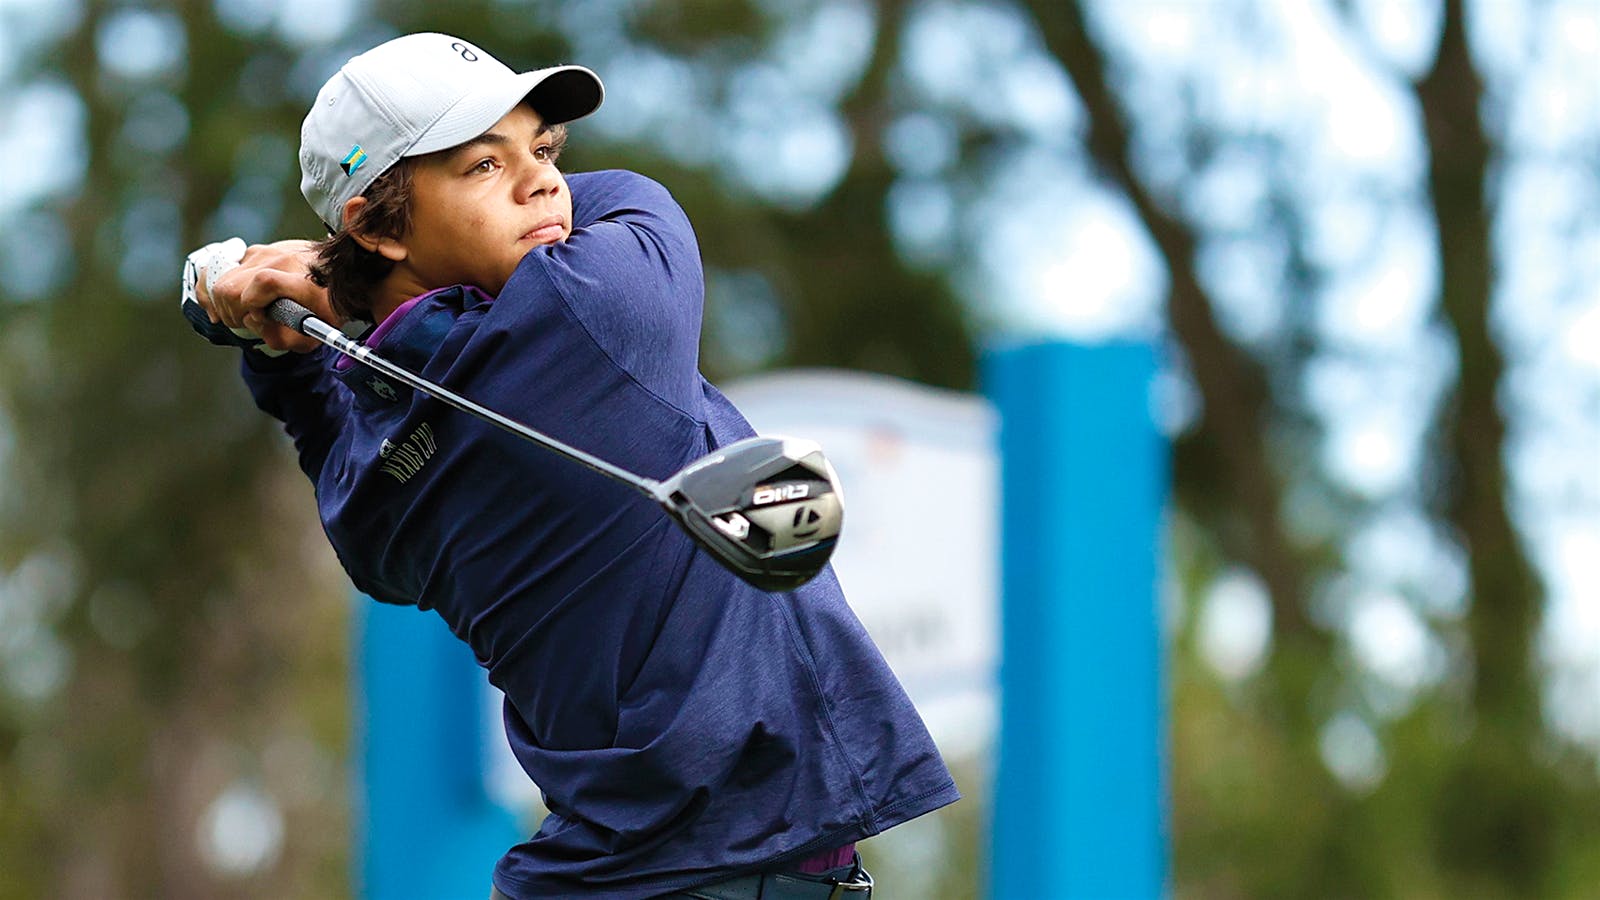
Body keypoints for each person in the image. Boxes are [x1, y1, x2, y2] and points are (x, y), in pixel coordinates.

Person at [180, 33, 957, 899]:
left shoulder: (374, 484)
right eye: (483, 164)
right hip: (709, 878)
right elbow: (634, 198)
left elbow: (333, 436)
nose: (544, 181)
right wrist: (331, 281)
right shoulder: (597, 311)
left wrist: (293, 333)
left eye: (544, 150)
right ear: (376, 223)